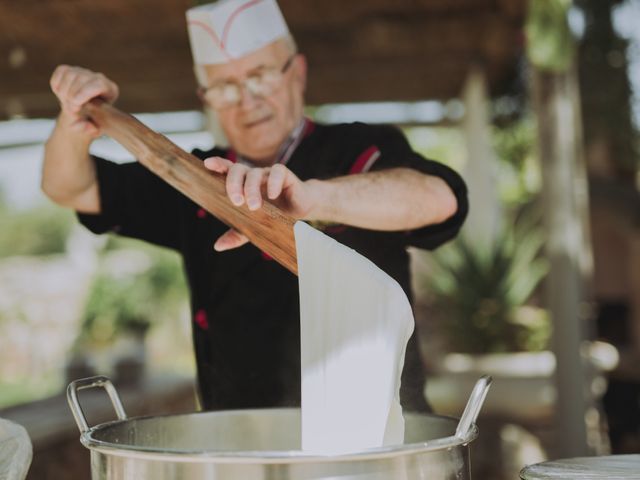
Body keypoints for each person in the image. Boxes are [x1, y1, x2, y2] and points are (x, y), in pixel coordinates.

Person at [42, 0, 468, 412]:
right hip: (239, 441)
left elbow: (441, 198)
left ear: (296, 72)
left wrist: (315, 199)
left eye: (260, 75)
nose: (247, 99)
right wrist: (74, 120)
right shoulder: (193, 175)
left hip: (377, 434)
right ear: (206, 97)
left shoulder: (360, 149)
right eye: (225, 87)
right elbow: (71, 189)